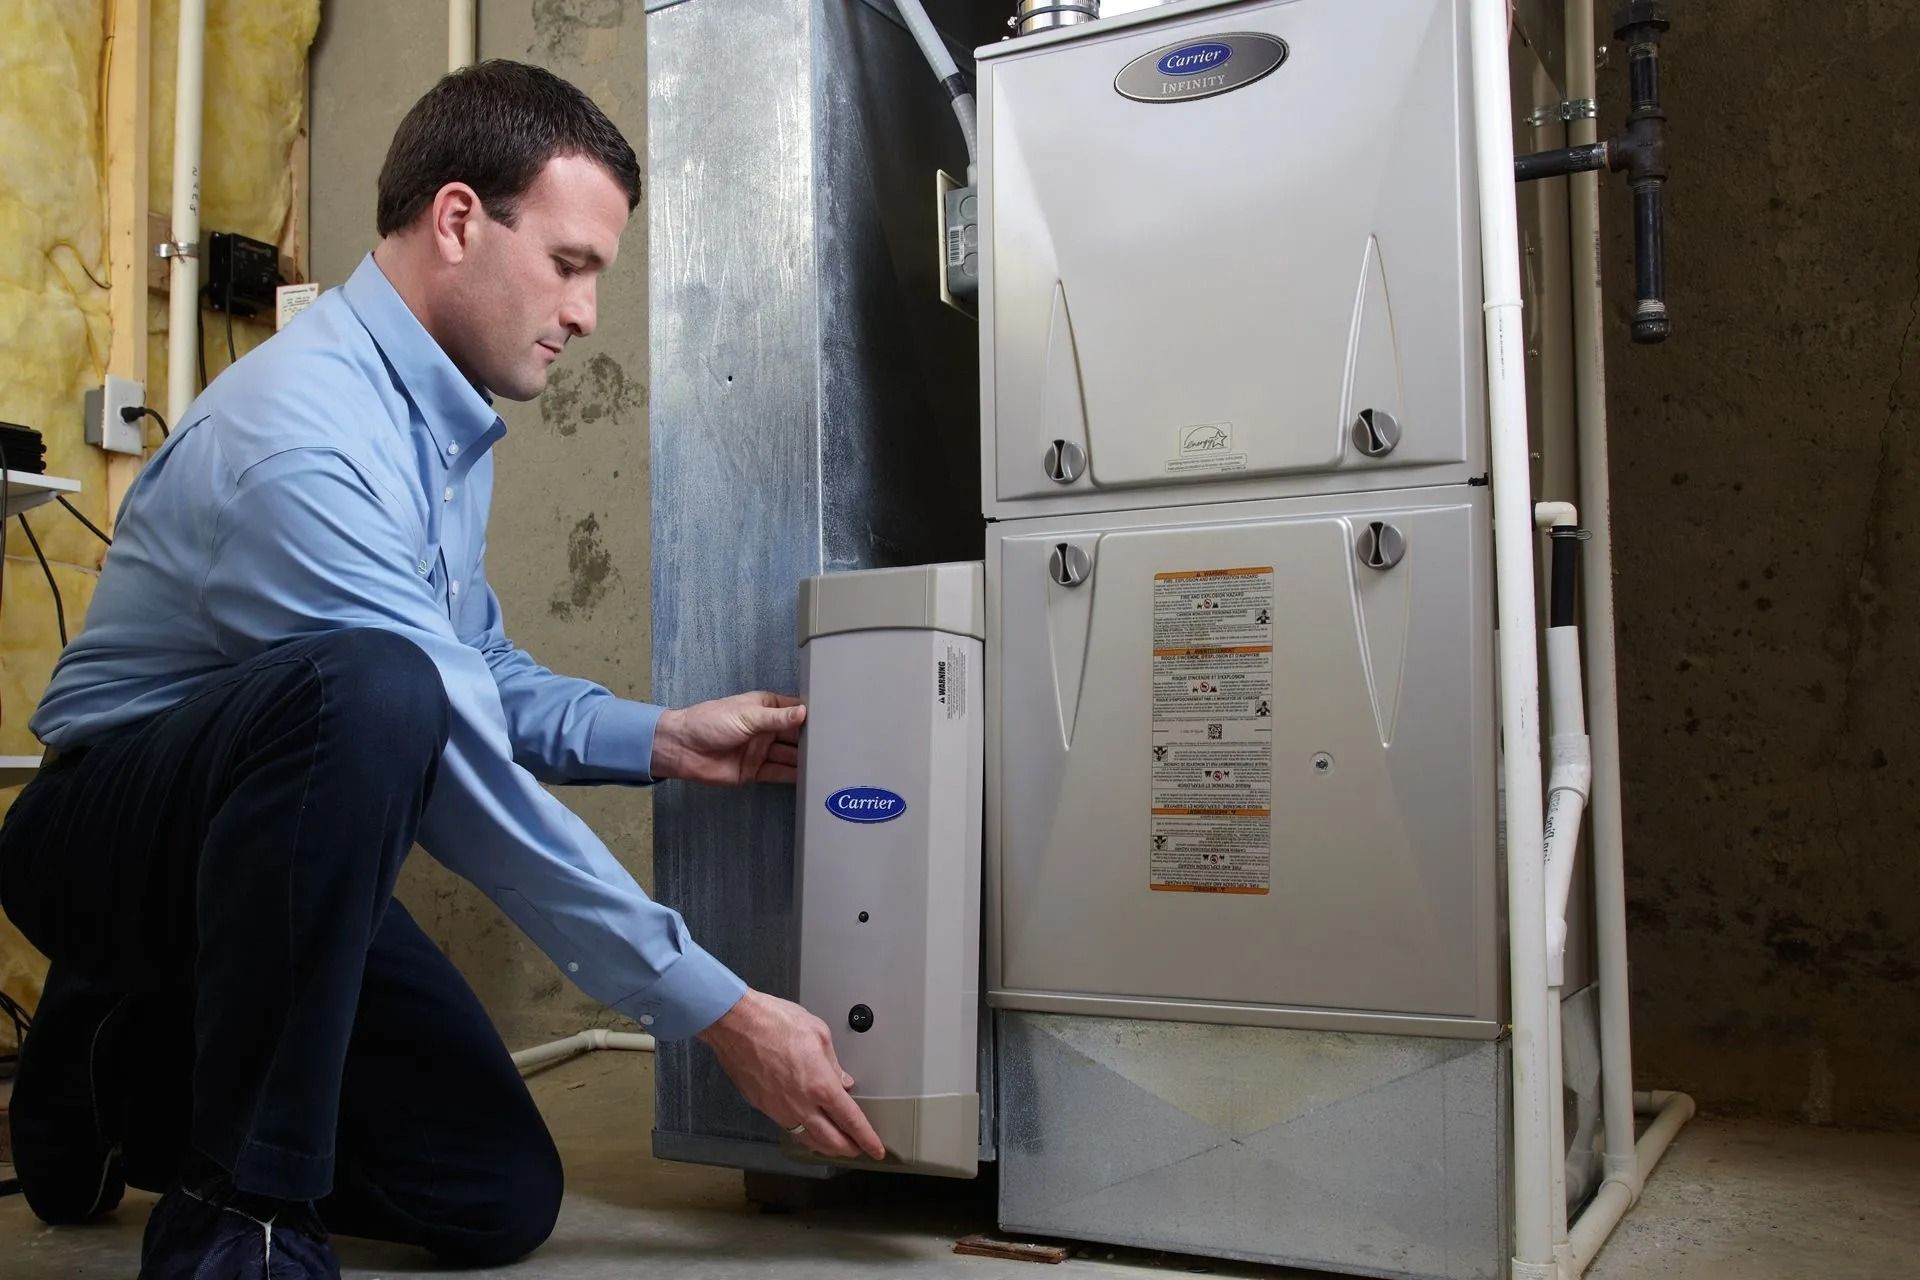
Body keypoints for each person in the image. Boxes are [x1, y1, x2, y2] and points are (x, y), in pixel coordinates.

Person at [0, 59, 882, 1280]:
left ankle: (109, 1068)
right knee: (370, 688)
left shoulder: (445, 419)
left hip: (276, 854)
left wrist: (662, 735)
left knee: (494, 1194)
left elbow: (470, 672)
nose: (584, 314)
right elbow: (437, 738)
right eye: (571, 265)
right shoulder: (298, 439)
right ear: (459, 219)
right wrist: (717, 1005)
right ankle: (238, 1214)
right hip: (112, 840)